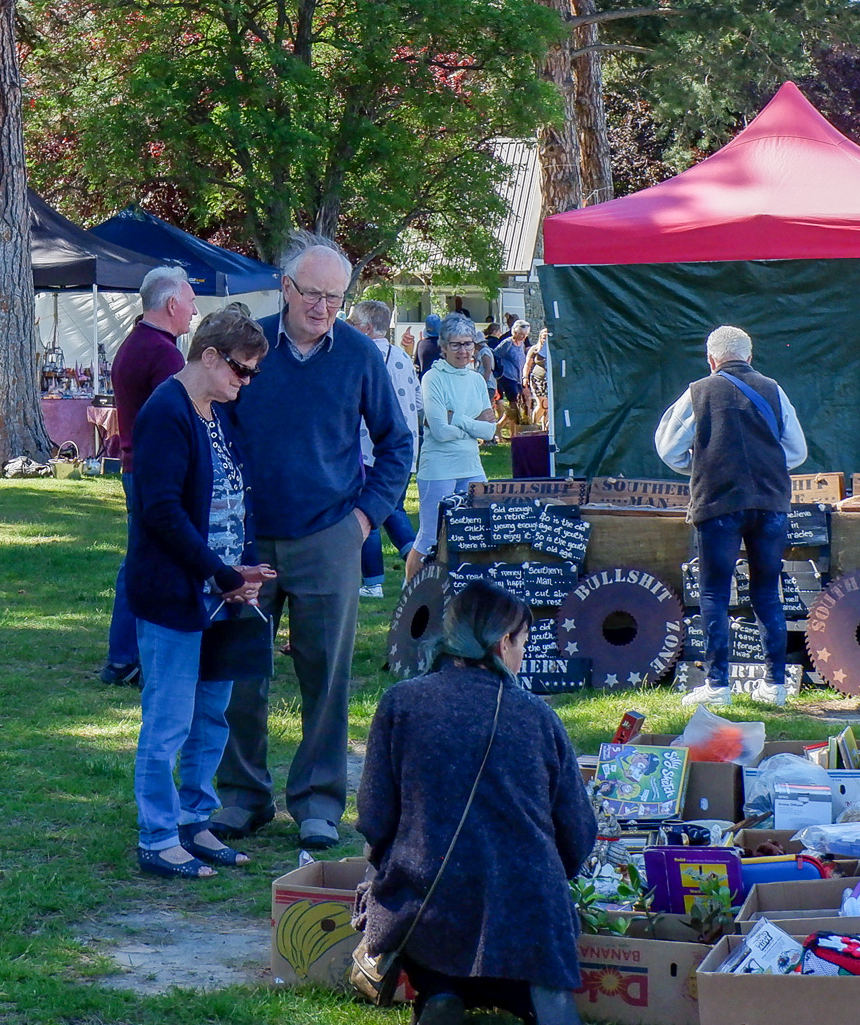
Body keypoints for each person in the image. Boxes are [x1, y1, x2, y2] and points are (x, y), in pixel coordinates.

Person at [215, 235, 411, 851]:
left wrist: (363, 521)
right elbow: (213, 426)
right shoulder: (247, 349)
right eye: (312, 293)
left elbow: (396, 444)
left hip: (329, 536)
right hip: (246, 538)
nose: (323, 307)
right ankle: (241, 797)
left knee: (325, 675)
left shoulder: (358, 355)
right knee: (240, 671)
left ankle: (319, 803)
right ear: (285, 288)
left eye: (335, 296)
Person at [357, 582, 594, 1025]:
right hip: (529, 916)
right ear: (504, 642)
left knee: (432, 940)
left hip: (430, 905)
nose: (521, 655)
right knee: (533, 946)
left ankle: (440, 994)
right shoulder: (537, 715)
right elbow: (578, 832)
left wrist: (384, 873)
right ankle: (539, 999)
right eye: (522, 643)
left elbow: (374, 816)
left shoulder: (401, 702)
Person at [124, 308, 275, 878]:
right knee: (168, 721)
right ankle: (158, 836)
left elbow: (236, 496)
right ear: (208, 356)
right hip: (177, 592)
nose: (247, 382)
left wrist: (243, 569)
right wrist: (221, 572)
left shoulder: (219, 412)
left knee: (212, 716)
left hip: (223, 589)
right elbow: (160, 511)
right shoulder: (167, 411)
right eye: (241, 370)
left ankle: (194, 821)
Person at [654, 325, 808, 708]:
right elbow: (797, 451)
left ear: (711, 360)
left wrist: (704, 466)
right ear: (750, 357)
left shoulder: (698, 392)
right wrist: (761, 467)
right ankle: (775, 686)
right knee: (767, 593)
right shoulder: (774, 389)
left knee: (714, 594)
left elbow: (668, 448)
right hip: (770, 503)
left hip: (718, 502)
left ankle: (718, 686)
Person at [100, 267, 198, 687]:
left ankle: (126, 655)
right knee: (149, 562)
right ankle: (126, 657)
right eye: (191, 302)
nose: (194, 312)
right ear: (172, 304)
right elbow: (176, 419)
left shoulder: (137, 342)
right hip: (153, 473)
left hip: (136, 468)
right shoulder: (164, 354)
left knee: (141, 559)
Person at [407, 316, 497, 584]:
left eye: (468, 344)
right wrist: (472, 424)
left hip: (472, 466)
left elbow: (489, 431)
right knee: (430, 535)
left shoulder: (477, 380)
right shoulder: (432, 378)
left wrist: (455, 417)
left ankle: (460, 589)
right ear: (443, 347)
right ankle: (409, 591)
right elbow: (439, 431)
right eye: (456, 345)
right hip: (438, 468)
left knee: (476, 530)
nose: (463, 351)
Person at [349, 300, 424, 599]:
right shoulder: (403, 358)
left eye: (354, 324)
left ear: (367, 328)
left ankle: (374, 581)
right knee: (393, 508)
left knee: (367, 510)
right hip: (404, 449)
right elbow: (418, 402)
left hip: (369, 448)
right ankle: (417, 563)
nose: (350, 329)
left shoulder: (360, 355)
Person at [493, 321, 530, 424]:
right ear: (514, 332)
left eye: (525, 334)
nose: (523, 336)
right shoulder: (508, 343)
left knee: (517, 404)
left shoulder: (521, 343)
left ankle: (501, 426)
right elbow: (495, 354)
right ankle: (507, 427)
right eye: (521, 334)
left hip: (518, 377)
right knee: (514, 404)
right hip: (508, 377)